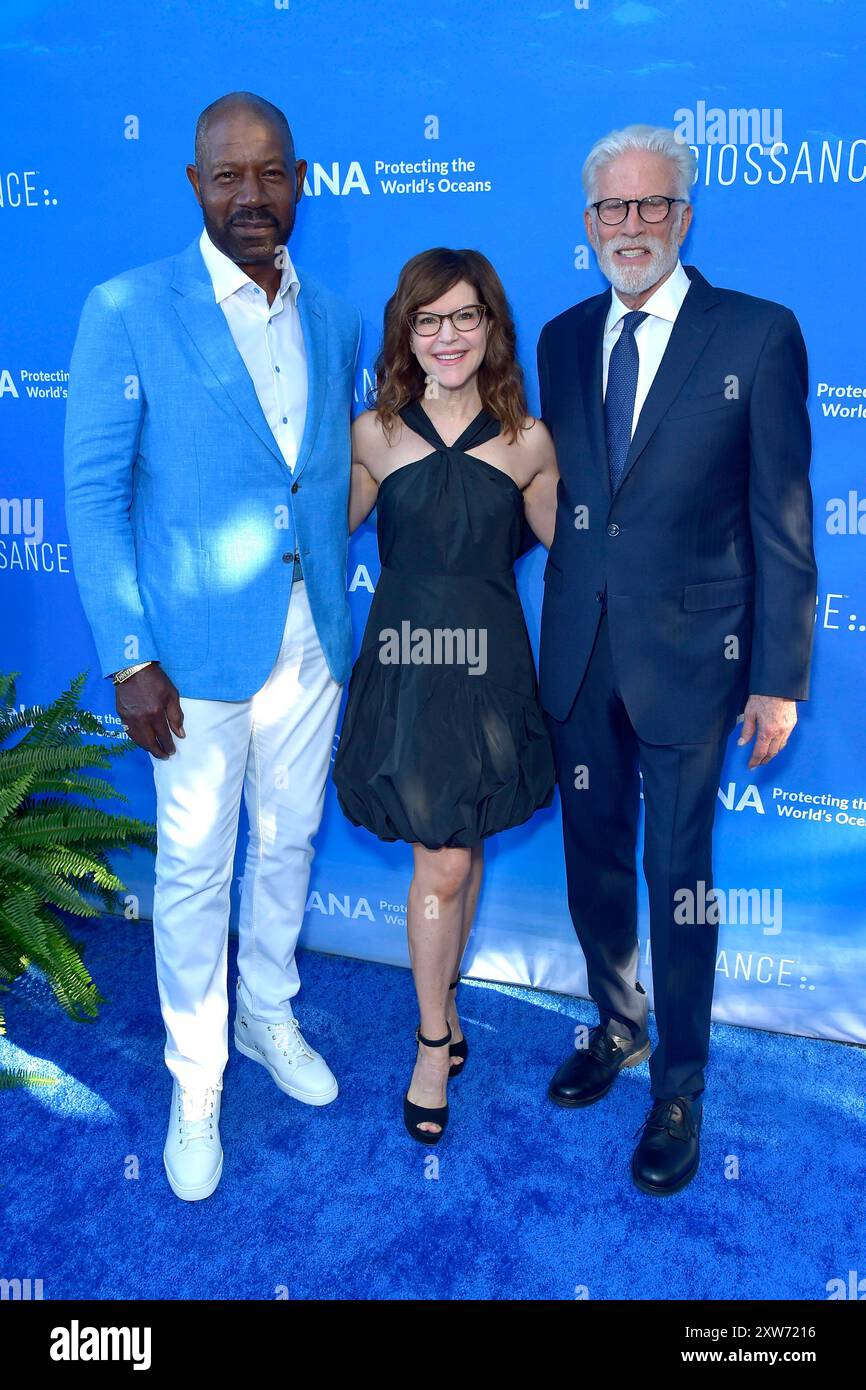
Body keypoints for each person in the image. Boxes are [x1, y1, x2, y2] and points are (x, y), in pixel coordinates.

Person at [64, 92, 361, 1201]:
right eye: (227, 175)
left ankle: (269, 1014)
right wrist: (130, 654)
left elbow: (319, 476)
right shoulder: (129, 308)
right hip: (185, 661)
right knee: (195, 867)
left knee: (286, 843)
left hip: (310, 643)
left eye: (270, 172)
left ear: (301, 180)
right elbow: (93, 497)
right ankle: (197, 1080)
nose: (251, 194)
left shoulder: (331, 315)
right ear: (193, 184)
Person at [537, 124, 817, 1195]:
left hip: (701, 659)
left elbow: (781, 515)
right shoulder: (562, 339)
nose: (631, 225)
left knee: (678, 878)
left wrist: (778, 673)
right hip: (579, 652)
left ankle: (680, 1084)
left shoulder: (755, 336)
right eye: (612, 208)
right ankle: (616, 1026)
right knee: (592, 858)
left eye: (651, 205)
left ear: (684, 216)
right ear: (587, 224)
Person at [334, 248, 558, 1142]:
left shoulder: (530, 443)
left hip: (491, 671)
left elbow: (586, 557)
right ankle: (433, 1041)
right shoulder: (370, 436)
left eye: (466, 317)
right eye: (429, 320)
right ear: (407, 335)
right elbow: (306, 532)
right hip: (409, 669)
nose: (448, 336)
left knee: (460, 853)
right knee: (446, 858)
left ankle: (447, 1008)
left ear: (491, 328)